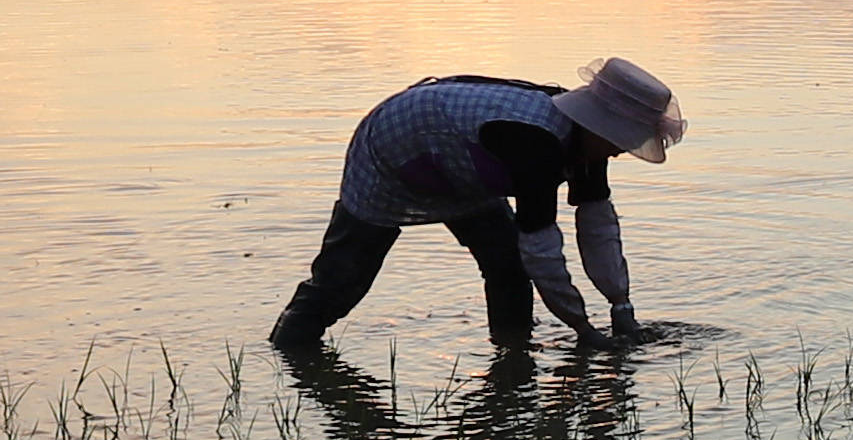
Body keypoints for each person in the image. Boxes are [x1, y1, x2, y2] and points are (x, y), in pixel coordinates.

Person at [272, 58, 681, 351]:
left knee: (506, 263)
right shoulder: (537, 148)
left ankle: (512, 348)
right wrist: (582, 328)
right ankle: (289, 346)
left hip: (463, 162)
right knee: (344, 278)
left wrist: (620, 305)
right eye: (620, 141)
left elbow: (598, 228)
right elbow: (542, 251)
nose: (620, 152)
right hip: (394, 148)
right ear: (599, 125)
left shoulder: (589, 145)